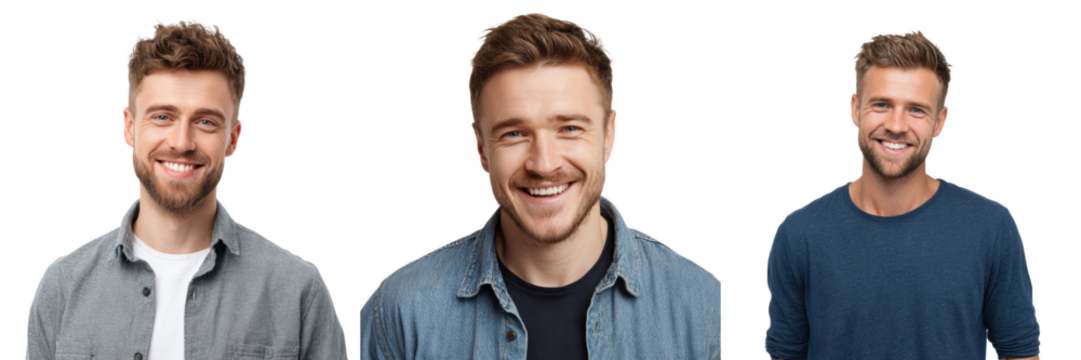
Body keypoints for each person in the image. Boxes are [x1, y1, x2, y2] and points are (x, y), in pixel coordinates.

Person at [357, 12, 722, 360]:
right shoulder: (398, 313)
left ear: (610, 135)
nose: (544, 163)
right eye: (514, 133)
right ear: (481, 149)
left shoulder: (705, 306)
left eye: (569, 129)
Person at [23, 18, 349, 359]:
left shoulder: (299, 290)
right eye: (163, 116)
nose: (181, 143)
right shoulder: (61, 286)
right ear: (129, 127)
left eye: (205, 121)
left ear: (233, 139)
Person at [763, 29, 1042, 360]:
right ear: (854, 109)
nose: (896, 125)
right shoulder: (799, 236)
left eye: (916, 110)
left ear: (941, 121)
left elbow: (1021, 353)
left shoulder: (991, 227)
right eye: (882, 104)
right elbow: (785, 356)